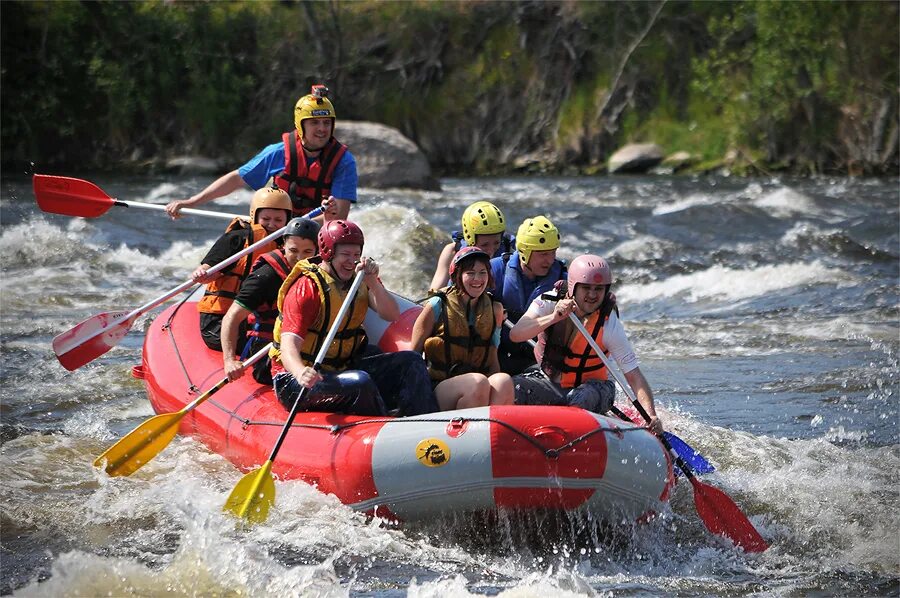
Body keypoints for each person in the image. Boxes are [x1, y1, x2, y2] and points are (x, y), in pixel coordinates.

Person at [270, 220, 439, 416]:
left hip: (340, 368)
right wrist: (300, 372)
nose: (352, 261)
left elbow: (391, 314)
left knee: (411, 361)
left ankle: (423, 422)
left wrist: (373, 283)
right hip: (295, 380)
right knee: (360, 382)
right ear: (328, 253)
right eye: (345, 255)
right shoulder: (307, 288)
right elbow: (288, 344)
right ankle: (384, 428)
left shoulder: (360, 279)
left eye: (356, 255)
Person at [509, 254, 663, 434]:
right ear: (573, 287)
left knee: (579, 398)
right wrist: (553, 318)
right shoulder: (549, 301)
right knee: (513, 387)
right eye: (586, 288)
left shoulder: (609, 322)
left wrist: (651, 415)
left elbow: (633, 375)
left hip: (595, 389)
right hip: (551, 384)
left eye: (599, 289)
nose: (592, 295)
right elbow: (516, 334)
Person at [166, 84, 355, 222]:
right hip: (277, 227)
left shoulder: (343, 161)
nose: (322, 129)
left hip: (316, 230)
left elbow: (339, 215)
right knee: (237, 234)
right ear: (300, 125)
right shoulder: (278, 152)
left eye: (327, 123)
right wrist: (191, 202)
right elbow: (236, 180)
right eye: (314, 123)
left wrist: (295, 227)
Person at [221, 217, 321, 385]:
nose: (300, 258)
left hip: (305, 340)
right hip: (268, 345)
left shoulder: (320, 270)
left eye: (307, 252)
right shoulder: (265, 277)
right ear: (283, 245)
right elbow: (231, 317)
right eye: (293, 250)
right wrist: (229, 360)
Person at [413, 246, 515, 411]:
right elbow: (413, 355)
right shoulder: (437, 305)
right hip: (439, 387)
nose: (478, 279)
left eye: (483, 272)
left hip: (477, 384)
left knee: (503, 381)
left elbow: (492, 358)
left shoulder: (495, 309)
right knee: (477, 382)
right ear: (457, 275)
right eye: (470, 273)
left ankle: (494, 434)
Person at [193, 187, 294, 351]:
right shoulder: (238, 238)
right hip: (220, 319)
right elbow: (211, 266)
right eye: (266, 218)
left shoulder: (290, 244)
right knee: (257, 342)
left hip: (260, 317)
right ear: (255, 216)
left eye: (278, 220)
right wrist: (203, 271)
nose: (272, 225)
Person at [489, 215, 567, 375]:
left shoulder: (562, 278)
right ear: (525, 252)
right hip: (497, 353)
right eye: (543, 254)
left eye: (553, 253)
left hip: (540, 359)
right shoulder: (494, 270)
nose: (550, 260)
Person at [428, 201, 515, 291]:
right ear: (470, 239)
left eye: (496, 243)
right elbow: (434, 292)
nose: (490, 250)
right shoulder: (452, 251)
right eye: (485, 244)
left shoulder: (511, 251)